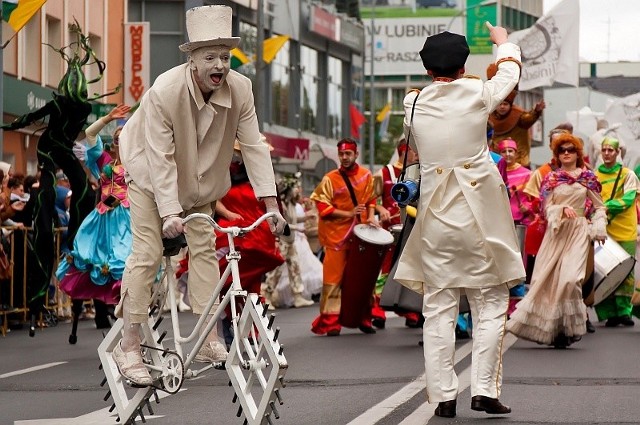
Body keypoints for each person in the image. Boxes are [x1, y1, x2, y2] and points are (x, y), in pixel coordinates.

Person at [112, 5, 286, 387]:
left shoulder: (241, 88)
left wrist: (271, 205)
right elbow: (159, 157)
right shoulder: (165, 90)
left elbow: (254, 146)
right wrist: (169, 213)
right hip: (147, 172)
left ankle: (208, 338)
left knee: (205, 248)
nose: (219, 65)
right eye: (209, 56)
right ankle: (129, 343)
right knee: (147, 252)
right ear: (192, 60)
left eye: (224, 56)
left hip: (201, 180)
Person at [392, 24, 525, 418]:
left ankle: (443, 396)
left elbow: (411, 141)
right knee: (490, 300)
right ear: (465, 66)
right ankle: (484, 389)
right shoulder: (477, 93)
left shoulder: (412, 103)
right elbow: (509, 73)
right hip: (480, 218)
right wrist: (502, 43)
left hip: (434, 217)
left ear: (428, 69)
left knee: (439, 306)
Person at [507, 133, 607, 348]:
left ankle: (570, 327)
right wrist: (562, 209)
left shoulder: (588, 177)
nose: (567, 154)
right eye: (562, 150)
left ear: (577, 153)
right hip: (557, 231)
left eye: (571, 150)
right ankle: (558, 331)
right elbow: (546, 208)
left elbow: (599, 206)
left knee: (570, 279)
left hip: (579, 231)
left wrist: (599, 227)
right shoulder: (552, 178)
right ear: (557, 155)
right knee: (549, 281)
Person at [56, 105, 132, 309]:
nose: (119, 140)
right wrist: (108, 118)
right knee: (93, 257)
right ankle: (113, 303)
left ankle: (127, 297)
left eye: (124, 137)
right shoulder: (104, 160)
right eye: (116, 138)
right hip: (103, 217)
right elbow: (90, 133)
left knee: (124, 259)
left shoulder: (138, 163)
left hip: (127, 217)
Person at [310, 138, 377, 336]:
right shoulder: (330, 178)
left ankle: (364, 318)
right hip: (335, 237)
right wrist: (349, 214)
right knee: (333, 280)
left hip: (361, 236)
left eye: (348, 154)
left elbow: (371, 199)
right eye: (341, 154)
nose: (344, 157)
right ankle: (330, 322)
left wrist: (371, 217)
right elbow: (323, 207)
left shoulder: (366, 175)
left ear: (356, 154)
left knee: (362, 279)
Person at [371, 138, 422, 328]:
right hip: (389, 232)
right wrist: (378, 209)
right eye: (414, 151)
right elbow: (371, 197)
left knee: (410, 270)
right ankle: (378, 312)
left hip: (412, 230)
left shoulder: (420, 171)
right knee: (384, 271)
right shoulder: (384, 172)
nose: (416, 155)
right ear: (404, 151)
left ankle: (412, 312)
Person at [594, 137, 638, 327]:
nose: (607, 153)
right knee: (603, 272)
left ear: (617, 152)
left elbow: (628, 199)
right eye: (604, 150)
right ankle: (609, 312)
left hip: (625, 231)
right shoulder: (594, 175)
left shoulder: (628, 175)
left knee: (626, 272)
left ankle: (624, 311)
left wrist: (603, 206)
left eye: (610, 150)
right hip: (603, 232)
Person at [262, 172, 315, 309]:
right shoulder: (282, 207)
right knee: (277, 270)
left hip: (291, 242)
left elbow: (294, 220)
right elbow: (284, 223)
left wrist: (307, 218)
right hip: (282, 242)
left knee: (295, 268)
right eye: (295, 188)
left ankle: (298, 296)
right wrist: (297, 229)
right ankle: (267, 296)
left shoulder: (291, 205)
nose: (297, 191)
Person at [498, 138, 532, 316]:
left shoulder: (527, 174)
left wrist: (529, 208)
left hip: (520, 225)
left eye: (511, 151)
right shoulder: (497, 172)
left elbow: (535, 199)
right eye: (504, 152)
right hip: (500, 224)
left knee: (518, 265)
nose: (508, 154)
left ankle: (515, 309)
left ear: (517, 153)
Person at [487, 65, 545, 169]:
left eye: (505, 104)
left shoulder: (519, 115)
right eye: (500, 104)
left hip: (520, 164)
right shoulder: (488, 117)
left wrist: (536, 112)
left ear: (510, 105)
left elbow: (528, 119)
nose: (502, 107)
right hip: (497, 164)